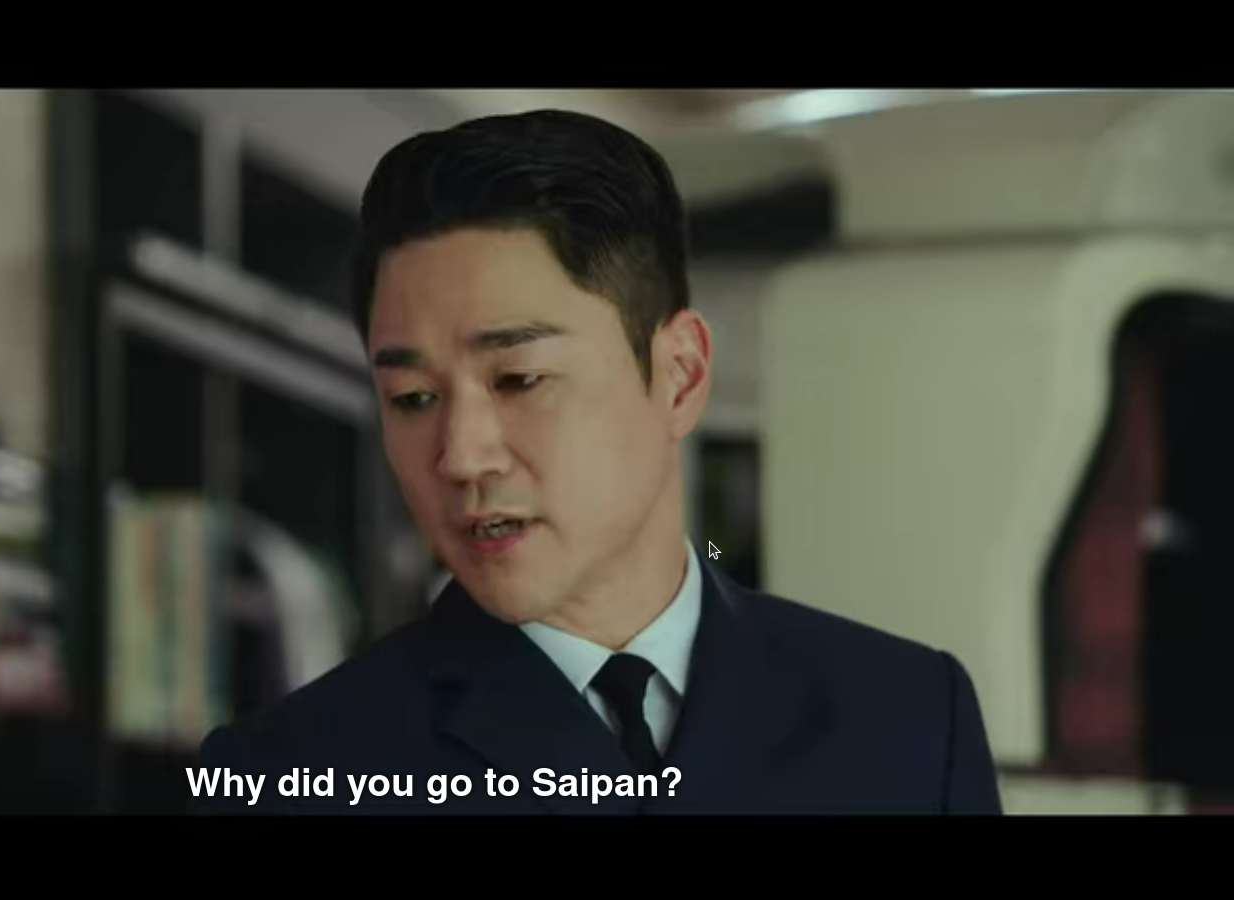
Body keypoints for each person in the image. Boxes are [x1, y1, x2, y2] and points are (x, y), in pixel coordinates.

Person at [191, 109, 1001, 814]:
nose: (461, 456)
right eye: (412, 397)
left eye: (519, 379)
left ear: (680, 375)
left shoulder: (911, 721)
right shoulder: (287, 775)